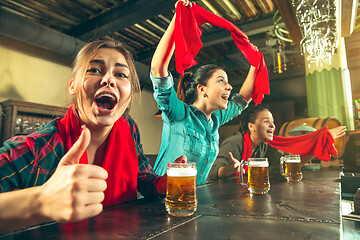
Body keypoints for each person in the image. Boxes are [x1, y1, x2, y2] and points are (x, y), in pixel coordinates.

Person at [0, 38, 166, 233]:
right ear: (73, 86)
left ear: (128, 95)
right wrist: (39, 201)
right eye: (94, 70)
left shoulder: (129, 128)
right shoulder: (39, 147)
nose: (109, 80)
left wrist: (162, 184)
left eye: (121, 74)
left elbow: (140, 175)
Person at [150, 0, 258, 185]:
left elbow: (243, 100)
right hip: (159, 202)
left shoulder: (216, 119)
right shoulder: (179, 113)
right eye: (221, 81)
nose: (229, 87)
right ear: (202, 89)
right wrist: (179, 18)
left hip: (194, 202)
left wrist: (255, 65)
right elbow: (158, 69)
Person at [207, 104, 347, 181]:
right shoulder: (235, 142)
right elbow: (212, 173)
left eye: (272, 122)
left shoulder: (264, 146)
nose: (272, 125)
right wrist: (234, 168)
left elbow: (287, 167)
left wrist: (317, 145)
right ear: (251, 126)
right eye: (266, 121)